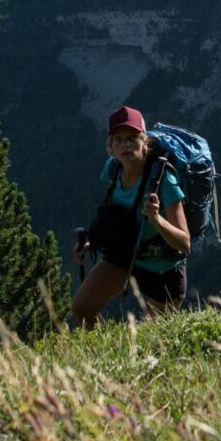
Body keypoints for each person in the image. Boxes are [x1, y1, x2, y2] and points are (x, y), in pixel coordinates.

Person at [72, 105, 191, 327]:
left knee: (154, 341)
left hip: (161, 268)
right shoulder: (113, 169)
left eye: (132, 137)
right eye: (119, 139)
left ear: (144, 141)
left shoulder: (164, 180)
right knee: (82, 308)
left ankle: (128, 356)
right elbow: (113, 214)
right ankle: (105, 358)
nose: (126, 144)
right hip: (125, 255)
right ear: (111, 146)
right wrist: (91, 241)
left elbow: (184, 244)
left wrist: (157, 220)